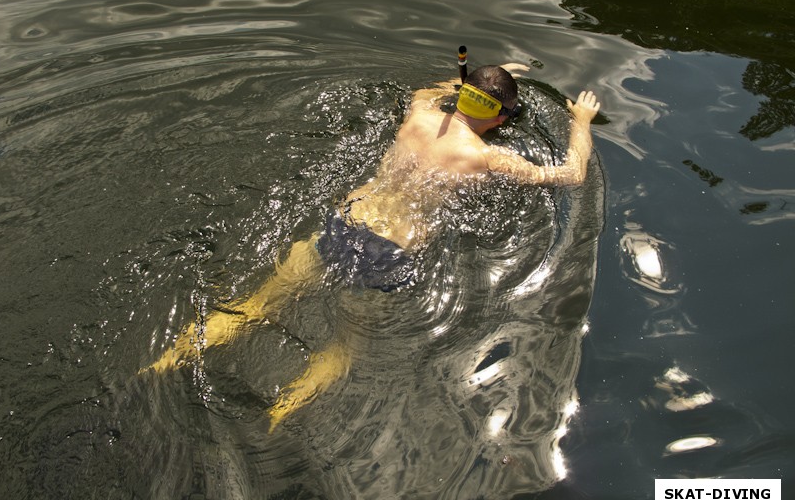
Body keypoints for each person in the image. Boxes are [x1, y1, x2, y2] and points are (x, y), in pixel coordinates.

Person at [141, 63, 601, 431]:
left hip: (346, 221)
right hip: (391, 253)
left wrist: (488, 72)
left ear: (459, 96)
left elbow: (431, 87)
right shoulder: (485, 156)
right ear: (501, 120)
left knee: (257, 301)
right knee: (344, 348)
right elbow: (572, 174)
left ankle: (168, 357)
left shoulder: (420, 112)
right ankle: (278, 412)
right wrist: (580, 122)